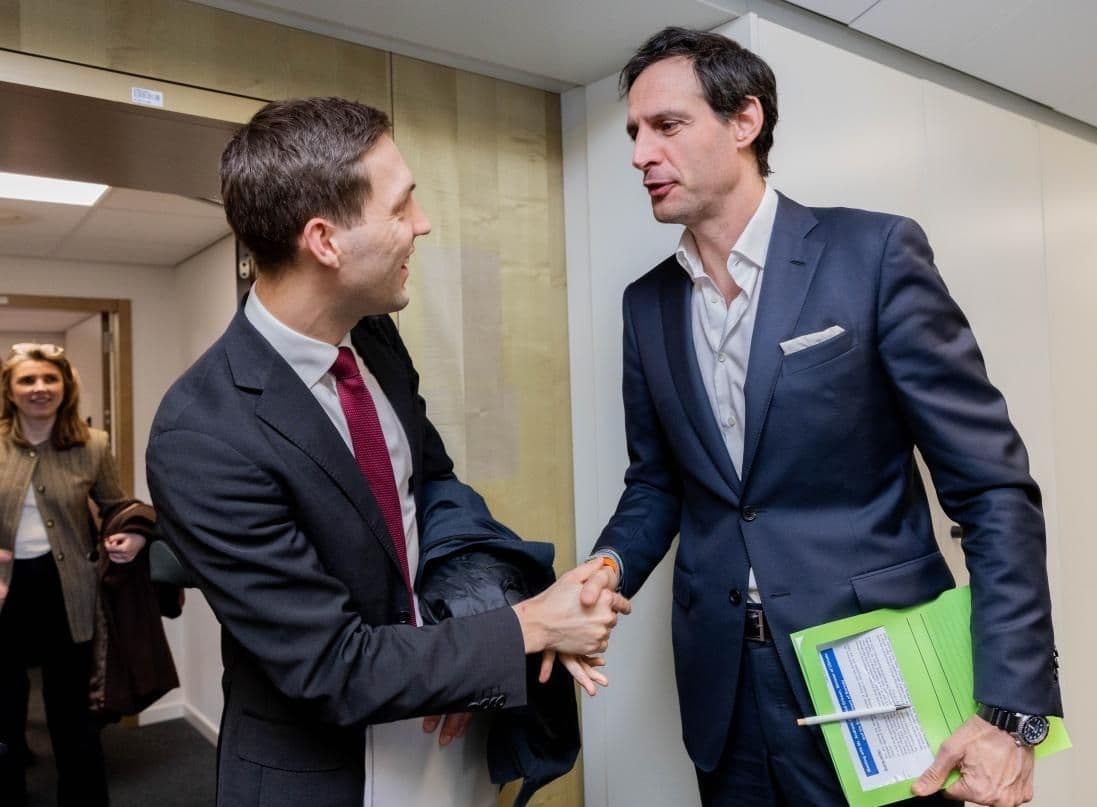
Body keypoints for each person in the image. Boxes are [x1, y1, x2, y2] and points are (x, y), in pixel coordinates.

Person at [573, 27, 1062, 807]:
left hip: (877, 669)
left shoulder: (870, 254)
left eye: (665, 126)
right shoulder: (646, 304)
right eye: (633, 132)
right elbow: (656, 482)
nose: (639, 153)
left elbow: (991, 489)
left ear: (744, 122)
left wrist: (1012, 709)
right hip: (724, 686)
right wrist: (604, 570)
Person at [145, 96, 627, 807]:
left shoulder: (372, 335)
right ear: (325, 241)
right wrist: (528, 625)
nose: (422, 224)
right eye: (402, 206)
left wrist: (461, 639)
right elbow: (330, 665)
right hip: (327, 767)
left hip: (444, 723)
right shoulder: (201, 436)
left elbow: (431, 486)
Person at [0, 343, 148, 807]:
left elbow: (118, 506)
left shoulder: (93, 444)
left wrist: (137, 535)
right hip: (6, 592)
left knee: (73, 718)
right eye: (27, 380)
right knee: (3, 710)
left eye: (49, 379)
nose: (39, 388)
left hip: (70, 594)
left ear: (65, 387)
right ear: (9, 390)